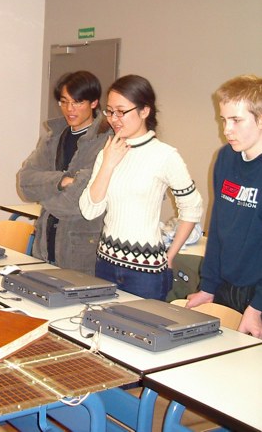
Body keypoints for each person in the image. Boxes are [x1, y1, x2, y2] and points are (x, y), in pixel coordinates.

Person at [79, 74, 203, 300]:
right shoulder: (107, 153)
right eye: (110, 111)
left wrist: (171, 254)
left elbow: (192, 207)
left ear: (144, 111)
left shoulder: (165, 155)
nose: (114, 119)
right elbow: (89, 210)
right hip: (105, 263)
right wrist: (108, 164)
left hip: (146, 273)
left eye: (121, 111)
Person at [186, 75, 262, 338]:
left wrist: (257, 306)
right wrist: (208, 286)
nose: (227, 130)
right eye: (224, 120)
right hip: (226, 287)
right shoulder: (225, 158)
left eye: (236, 120)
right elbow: (217, 225)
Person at [17, 70, 111, 275]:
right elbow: (25, 183)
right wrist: (61, 181)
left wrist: (44, 194)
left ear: (94, 103)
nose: (69, 109)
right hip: (44, 245)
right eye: (64, 102)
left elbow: (78, 200)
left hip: (81, 251)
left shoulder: (106, 141)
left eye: (77, 102)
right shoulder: (53, 137)